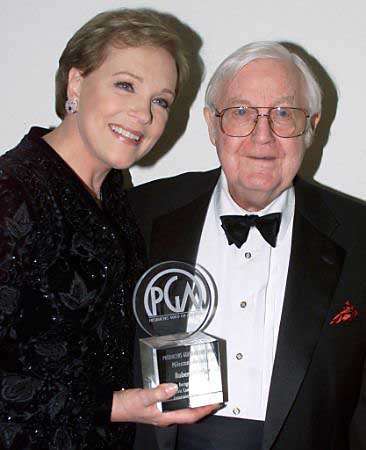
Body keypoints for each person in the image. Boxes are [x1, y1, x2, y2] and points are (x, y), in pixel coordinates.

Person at [128, 41, 366, 450]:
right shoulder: (140, 213)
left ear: (311, 126)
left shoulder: (360, 234)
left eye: (283, 114)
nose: (263, 136)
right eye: (240, 112)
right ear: (211, 124)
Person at [0, 8, 216, 450]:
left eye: (161, 100)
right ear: (75, 84)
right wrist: (114, 405)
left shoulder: (115, 195)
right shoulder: (12, 193)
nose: (144, 114)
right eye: (126, 85)